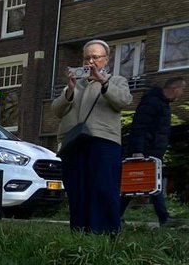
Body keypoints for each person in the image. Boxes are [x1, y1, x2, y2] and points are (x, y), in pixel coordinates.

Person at [53, 40, 133, 234]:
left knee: (103, 187)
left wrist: (103, 82)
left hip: (103, 141)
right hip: (75, 143)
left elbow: (123, 101)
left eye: (95, 57)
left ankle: (104, 234)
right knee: (77, 188)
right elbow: (56, 110)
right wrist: (69, 90)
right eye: (87, 57)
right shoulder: (76, 84)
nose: (90, 61)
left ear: (106, 59)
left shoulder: (116, 80)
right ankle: (80, 233)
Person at [120, 76, 185, 228]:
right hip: (145, 152)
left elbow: (161, 131)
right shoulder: (152, 102)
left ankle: (115, 215)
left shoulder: (163, 104)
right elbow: (140, 126)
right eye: (181, 89)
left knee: (142, 184)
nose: (182, 93)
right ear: (174, 89)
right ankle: (164, 218)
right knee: (140, 184)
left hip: (153, 153)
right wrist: (138, 150)